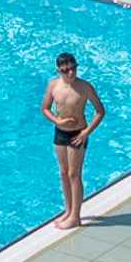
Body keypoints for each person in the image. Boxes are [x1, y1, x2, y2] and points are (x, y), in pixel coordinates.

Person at [41, 52, 105, 228]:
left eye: (73, 68)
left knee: (74, 174)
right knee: (63, 173)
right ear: (59, 71)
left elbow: (100, 111)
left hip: (77, 134)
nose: (71, 73)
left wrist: (86, 133)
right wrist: (57, 120)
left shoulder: (85, 87)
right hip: (60, 132)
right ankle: (68, 210)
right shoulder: (53, 85)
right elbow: (45, 108)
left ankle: (75, 217)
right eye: (66, 70)